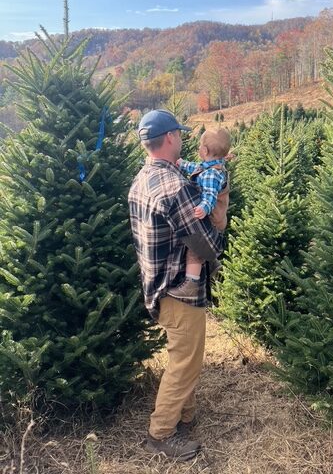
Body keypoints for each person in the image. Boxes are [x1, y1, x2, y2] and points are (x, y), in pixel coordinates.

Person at [128, 109, 224, 461]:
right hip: (179, 290)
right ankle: (161, 434)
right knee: (184, 361)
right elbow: (206, 245)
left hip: (156, 285)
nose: (183, 139)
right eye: (179, 134)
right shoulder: (175, 187)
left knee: (187, 354)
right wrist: (220, 222)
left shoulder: (142, 179)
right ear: (169, 138)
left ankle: (186, 416)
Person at [168, 127, 231, 300]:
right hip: (214, 218)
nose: (198, 148)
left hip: (212, 218)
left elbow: (210, 195)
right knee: (201, 244)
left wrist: (204, 207)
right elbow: (196, 167)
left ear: (204, 150)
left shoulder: (212, 174)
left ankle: (191, 284)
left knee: (194, 248)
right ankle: (214, 264)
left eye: (199, 146)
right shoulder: (210, 166)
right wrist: (181, 163)